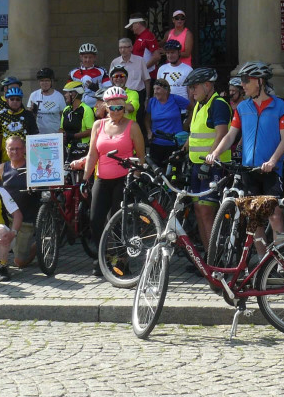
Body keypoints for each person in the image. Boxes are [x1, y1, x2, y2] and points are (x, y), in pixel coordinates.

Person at [70, 86, 145, 273]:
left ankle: (121, 261)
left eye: (120, 107)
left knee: (117, 220)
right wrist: (85, 179)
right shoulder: (98, 125)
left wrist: (135, 178)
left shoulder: (132, 126)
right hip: (102, 178)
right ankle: (104, 256)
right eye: (112, 107)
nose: (116, 111)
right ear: (105, 107)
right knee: (95, 220)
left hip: (123, 179)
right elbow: (93, 153)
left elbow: (141, 156)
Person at [207, 61, 284, 197]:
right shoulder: (242, 107)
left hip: (271, 170)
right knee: (249, 214)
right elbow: (230, 136)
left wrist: (272, 161)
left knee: (274, 213)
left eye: (246, 80)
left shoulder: (279, 106)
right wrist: (215, 153)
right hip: (248, 170)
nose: (242, 84)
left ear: (260, 81)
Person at [183, 68, 230, 250]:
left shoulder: (217, 104)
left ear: (208, 85)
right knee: (198, 211)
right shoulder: (199, 104)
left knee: (207, 212)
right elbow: (197, 131)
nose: (191, 92)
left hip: (213, 166)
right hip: (197, 165)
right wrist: (185, 146)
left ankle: (215, 259)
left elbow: (221, 134)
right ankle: (207, 258)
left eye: (194, 87)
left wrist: (208, 160)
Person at [0, 136, 39, 271]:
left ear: (24, 150)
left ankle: (40, 244)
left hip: (27, 220)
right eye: (11, 149)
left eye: (18, 149)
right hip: (7, 218)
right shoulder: (2, 168)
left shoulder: (34, 166)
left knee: (19, 262)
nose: (15, 152)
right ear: (6, 150)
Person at [145, 78, 189, 167]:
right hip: (157, 142)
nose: (155, 92)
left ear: (166, 90)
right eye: (154, 89)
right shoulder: (152, 102)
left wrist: (186, 124)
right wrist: (149, 132)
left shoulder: (175, 99)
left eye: (158, 89)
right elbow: (147, 119)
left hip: (174, 143)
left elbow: (193, 109)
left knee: (173, 173)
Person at [0, 86, 38, 161]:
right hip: (7, 158)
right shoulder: (1, 116)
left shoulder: (28, 115)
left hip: (25, 158)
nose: (15, 102)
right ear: (7, 100)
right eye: (12, 99)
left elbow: (35, 137)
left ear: (21, 101)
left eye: (18, 99)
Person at [70, 43, 110, 109]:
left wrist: (97, 89)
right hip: (79, 106)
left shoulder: (102, 71)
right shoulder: (73, 73)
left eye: (90, 57)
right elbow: (68, 92)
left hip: (96, 106)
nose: (88, 60)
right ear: (81, 57)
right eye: (85, 57)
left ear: (95, 58)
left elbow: (108, 90)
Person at [61, 81, 94, 160]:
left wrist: (72, 136)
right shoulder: (66, 109)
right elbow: (61, 128)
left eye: (66, 93)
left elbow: (91, 130)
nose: (65, 95)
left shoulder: (86, 109)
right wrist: (62, 135)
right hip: (68, 148)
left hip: (82, 148)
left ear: (74, 94)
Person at [28, 67, 64, 135]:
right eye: (42, 81)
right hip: (39, 134)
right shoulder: (34, 95)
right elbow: (30, 117)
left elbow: (63, 116)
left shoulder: (59, 96)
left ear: (51, 81)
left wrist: (62, 130)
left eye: (47, 80)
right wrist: (32, 111)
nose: (44, 83)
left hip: (55, 133)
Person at [127, 15, 162, 81]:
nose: (131, 29)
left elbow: (157, 56)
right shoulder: (139, 37)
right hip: (141, 75)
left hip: (149, 75)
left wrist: (143, 69)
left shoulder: (148, 36)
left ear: (138, 24)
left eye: (132, 26)